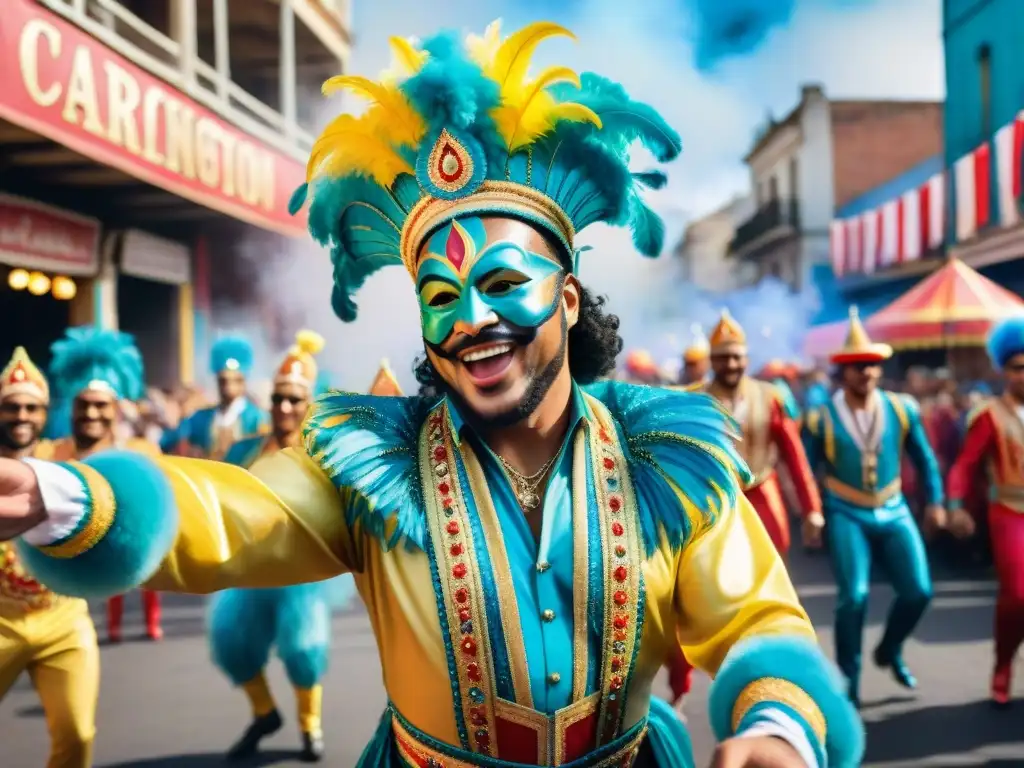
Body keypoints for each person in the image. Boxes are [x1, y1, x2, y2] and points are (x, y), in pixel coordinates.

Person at [1, 21, 862, 768]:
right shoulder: (374, 468)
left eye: (504, 282)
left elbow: (755, 615)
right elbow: (238, 513)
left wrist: (779, 725)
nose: (472, 319)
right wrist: (59, 493)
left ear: (568, 298)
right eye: (441, 297)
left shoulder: (665, 460)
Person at [211, 330, 359, 762]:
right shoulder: (244, 450)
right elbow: (217, 495)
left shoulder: (321, 455)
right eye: (278, 399)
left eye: (294, 400)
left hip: (301, 572)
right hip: (252, 567)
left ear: (307, 404)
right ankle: (264, 714)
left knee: (303, 650)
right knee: (232, 643)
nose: (285, 408)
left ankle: (310, 727)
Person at [802, 307, 945, 706]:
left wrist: (936, 501)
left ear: (880, 368)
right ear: (842, 372)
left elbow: (925, 459)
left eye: (871, 364)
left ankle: (890, 648)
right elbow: (804, 469)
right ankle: (849, 678)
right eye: (856, 365)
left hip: (894, 507)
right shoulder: (821, 417)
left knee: (919, 591)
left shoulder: (902, 408)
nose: (865, 372)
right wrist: (811, 511)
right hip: (846, 509)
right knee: (854, 597)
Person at [0, 347, 99, 768]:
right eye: (12, 407)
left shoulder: (65, 461)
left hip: (63, 621)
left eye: (32, 408)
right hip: (2, 622)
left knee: (78, 735)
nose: (22, 416)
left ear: (45, 414)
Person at [46, 327, 164, 643]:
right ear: (71, 407)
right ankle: (113, 627)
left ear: (116, 409)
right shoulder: (50, 455)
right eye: (83, 404)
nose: (91, 413)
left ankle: (149, 622)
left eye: (101, 405)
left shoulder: (140, 455)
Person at [945, 317, 1024, 707]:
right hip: (1009, 511)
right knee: (1018, 595)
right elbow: (964, 465)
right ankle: (1003, 663)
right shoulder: (989, 415)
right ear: (1003, 371)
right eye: (1017, 367)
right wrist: (955, 505)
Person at [700, 309, 823, 556]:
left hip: (763, 493)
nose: (731, 365)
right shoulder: (696, 401)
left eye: (736, 357)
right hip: (714, 499)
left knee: (773, 563)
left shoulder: (769, 397)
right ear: (712, 360)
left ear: (746, 359)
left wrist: (812, 509)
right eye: (722, 358)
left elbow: (795, 456)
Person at [163, 336, 267, 459]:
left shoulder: (258, 418)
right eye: (223, 381)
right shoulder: (200, 418)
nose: (229, 387)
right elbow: (169, 441)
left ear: (243, 381)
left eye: (236, 381)